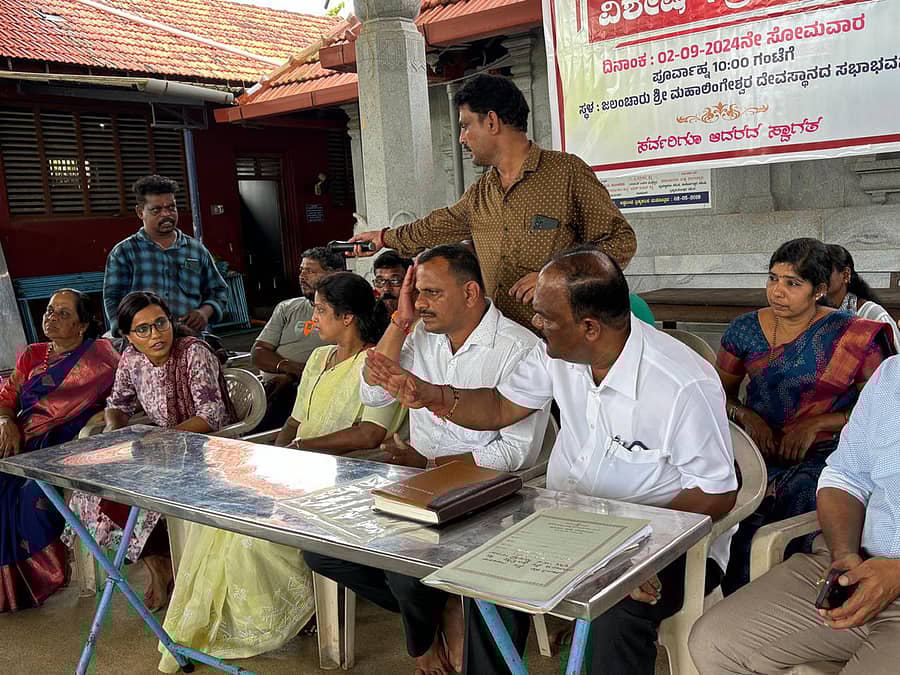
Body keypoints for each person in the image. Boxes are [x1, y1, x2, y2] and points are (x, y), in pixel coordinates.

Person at [364, 249, 738, 675]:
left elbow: (717, 491)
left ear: (590, 328)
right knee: (482, 575)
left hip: (662, 541)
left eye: (545, 317)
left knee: (616, 609)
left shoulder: (680, 384)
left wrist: (636, 551)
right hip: (566, 524)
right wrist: (431, 395)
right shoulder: (558, 353)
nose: (536, 324)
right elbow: (502, 406)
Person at [305, 244, 551, 674]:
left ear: (470, 293)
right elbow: (373, 392)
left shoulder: (520, 348)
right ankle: (440, 611)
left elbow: (515, 453)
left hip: (489, 493)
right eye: (416, 292)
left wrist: (433, 468)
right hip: (417, 487)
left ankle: (430, 626)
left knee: (407, 570)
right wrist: (400, 321)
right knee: (321, 549)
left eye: (431, 293)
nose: (419, 302)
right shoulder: (419, 334)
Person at [348, 73, 636, 330]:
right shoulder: (480, 192)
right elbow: (435, 226)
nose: (461, 138)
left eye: (466, 126)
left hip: (563, 338)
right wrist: (384, 238)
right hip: (503, 340)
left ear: (492, 121)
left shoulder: (566, 173)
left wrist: (558, 278)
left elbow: (620, 240)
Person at [689, 355, 900, 675]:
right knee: (715, 642)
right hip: (859, 569)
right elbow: (845, 477)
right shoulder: (891, 378)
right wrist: (844, 554)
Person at [717, 238, 895, 593]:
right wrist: (746, 416)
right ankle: (727, 589)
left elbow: (876, 410)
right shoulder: (744, 330)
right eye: (773, 279)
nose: (777, 292)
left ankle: (796, 592)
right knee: (725, 491)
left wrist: (818, 423)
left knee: (802, 494)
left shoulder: (855, 335)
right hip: (755, 446)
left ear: (819, 291)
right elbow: (717, 393)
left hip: (826, 451)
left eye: (792, 283)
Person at [66, 291, 235, 612]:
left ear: (171, 321)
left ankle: (165, 563)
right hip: (157, 451)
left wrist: (157, 441)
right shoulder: (131, 358)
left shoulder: (193, 353)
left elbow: (212, 417)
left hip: (205, 451)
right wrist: (117, 432)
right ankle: (158, 565)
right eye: (142, 330)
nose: (155, 335)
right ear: (128, 336)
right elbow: (118, 404)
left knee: (138, 490)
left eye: (161, 323)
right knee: (90, 491)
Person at [0, 290, 118, 612]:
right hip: (19, 439)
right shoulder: (32, 355)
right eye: (49, 311)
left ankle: (25, 585)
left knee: (28, 496)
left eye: (63, 313)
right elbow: (7, 398)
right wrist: (4, 421)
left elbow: (124, 395)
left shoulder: (102, 357)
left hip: (64, 448)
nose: (51, 317)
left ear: (82, 325)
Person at [274, 271, 406, 452]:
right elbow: (294, 422)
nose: (313, 318)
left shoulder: (378, 361)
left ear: (347, 317)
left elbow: (369, 435)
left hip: (349, 467)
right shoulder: (318, 356)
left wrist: (301, 447)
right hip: (302, 460)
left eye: (321, 310)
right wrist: (280, 454)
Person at [103, 175, 228, 333]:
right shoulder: (124, 252)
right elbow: (113, 299)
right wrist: (125, 333)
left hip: (192, 339)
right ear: (140, 212)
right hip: (145, 343)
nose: (166, 214)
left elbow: (218, 291)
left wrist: (204, 312)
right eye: (157, 210)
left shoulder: (196, 250)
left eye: (171, 207)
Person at [252, 247, 346, 429]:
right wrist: (290, 369)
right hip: (276, 384)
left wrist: (297, 378)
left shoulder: (345, 312)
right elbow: (258, 353)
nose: (302, 276)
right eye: (301, 270)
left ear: (334, 274)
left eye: (310, 271)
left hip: (316, 389)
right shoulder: (287, 308)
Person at [826, 243, 900, 351]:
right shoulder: (817, 314)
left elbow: (895, 362)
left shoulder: (872, 314)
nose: (817, 277)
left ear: (846, 275)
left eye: (825, 271)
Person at [372, 249, 413, 315]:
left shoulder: (423, 315)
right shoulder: (370, 315)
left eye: (395, 281)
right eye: (380, 281)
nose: (386, 289)